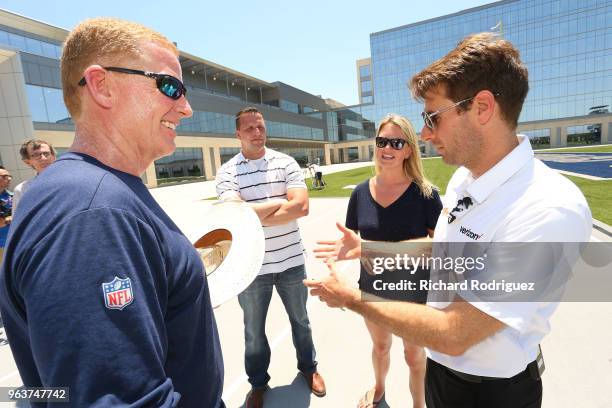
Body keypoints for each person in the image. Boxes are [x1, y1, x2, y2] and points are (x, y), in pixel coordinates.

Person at [307, 32, 592, 408]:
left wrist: (353, 297)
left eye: (433, 117)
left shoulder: (548, 209)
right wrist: (369, 248)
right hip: (442, 373)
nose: (424, 134)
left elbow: (456, 332)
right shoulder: (465, 179)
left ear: (482, 107)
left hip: (489, 393)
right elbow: (446, 251)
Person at [0, 18, 224, 407]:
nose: (185, 108)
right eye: (170, 86)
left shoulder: (94, 192)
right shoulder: (92, 212)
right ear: (102, 86)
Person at [216, 107, 326, 408]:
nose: (257, 132)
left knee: (301, 321)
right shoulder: (228, 171)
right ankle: (258, 385)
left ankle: (309, 368)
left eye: (260, 126)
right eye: (249, 128)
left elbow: (302, 207)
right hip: (251, 268)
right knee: (253, 332)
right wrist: (280, 202)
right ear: (238, 134)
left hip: (291, 261)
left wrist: (251, 212)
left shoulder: (285, 162)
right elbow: (233, 216)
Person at [342, 114, 442, 408]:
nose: (388, 148)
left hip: (414, 293)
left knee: (413, 356)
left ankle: (419, 405)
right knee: (381, 346)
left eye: (396, 142)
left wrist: (378, 249)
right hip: (373, 289)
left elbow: (439, 246)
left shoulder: (426, 194)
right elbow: (353, 241)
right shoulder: (360, 193)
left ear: (409, 149)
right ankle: (379, 390)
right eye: (382, 141)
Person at [12, 139, 56, 213]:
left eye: (46, 153)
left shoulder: (73, 180)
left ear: (54, 156)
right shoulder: (22, 190)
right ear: (27, 162)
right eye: (36, 155)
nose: (43, 158)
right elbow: (19, 221)